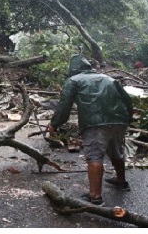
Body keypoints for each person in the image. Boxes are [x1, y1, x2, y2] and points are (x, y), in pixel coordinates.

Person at [47, 54, 134, 206]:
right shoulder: (109, 79)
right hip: (120, 119)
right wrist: (127, 119)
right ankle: (121, 181)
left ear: (73, 69)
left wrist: (54, 124)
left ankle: (95, 197)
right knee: (116, 151)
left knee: (94, 156)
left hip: (95, 123)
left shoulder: (73, 80)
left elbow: (63, 107)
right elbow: (127, 100)